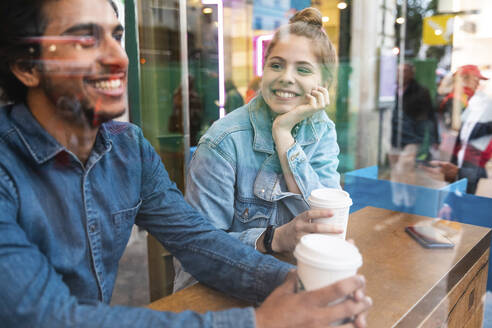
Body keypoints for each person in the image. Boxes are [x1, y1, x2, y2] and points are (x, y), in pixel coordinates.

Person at [0, 0, 372, 327]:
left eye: (116, 35)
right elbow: (45, 317)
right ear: (26, 67)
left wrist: (297, 286)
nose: (118, 57)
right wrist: (258, 322)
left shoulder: (127, 147)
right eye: (85, 38)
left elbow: (198, 241)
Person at [174, 8, 342, 290]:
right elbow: (198, 252)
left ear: (323, 84)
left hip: (290, 290)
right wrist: (273, 238)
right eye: (276, 65)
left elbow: (326, 221)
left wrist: (283, 134)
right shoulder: (223, 141)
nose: (286, 77)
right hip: (221, 297)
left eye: (302, 69)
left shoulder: (322, 130)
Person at [426, 85, 492, 194]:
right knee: (461, 190)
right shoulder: (457, 101)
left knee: (463, 190)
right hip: (465, 156)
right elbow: (462, 131)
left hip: (470, 158)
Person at [391, 63, 438, 161]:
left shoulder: (421, 91)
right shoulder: (390, 90)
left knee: (409, 165)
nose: (401, 74)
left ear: (412, 74)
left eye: (405, 71)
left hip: (413, 138)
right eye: (398, 71)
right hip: (394, 137)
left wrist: (435, 139)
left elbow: (430, 116)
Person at [438, 65, 488, 131]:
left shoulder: (467, 97)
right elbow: (457, 127)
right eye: (475, 80)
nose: (478, 84)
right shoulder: (455, 99)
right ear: (463, 79)